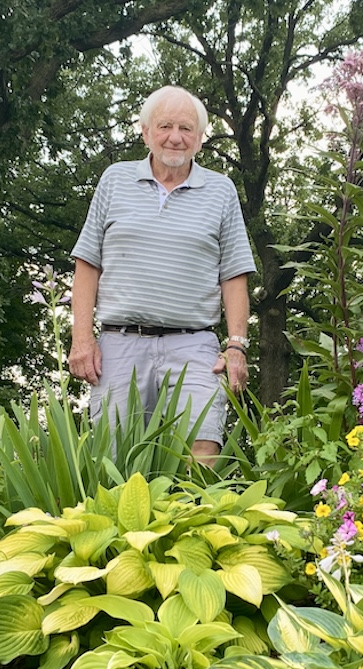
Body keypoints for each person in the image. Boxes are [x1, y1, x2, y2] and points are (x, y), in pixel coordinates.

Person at [68, 85, 255, 465]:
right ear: (145, 131)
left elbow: (234, 274)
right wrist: (81, 339)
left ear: (200, 139)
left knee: (202, 446)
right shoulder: (115, 180)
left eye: (186, 128)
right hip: (119, 343)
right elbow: (88, 263)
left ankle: (197, 523)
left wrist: (236, 345)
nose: (175, 137)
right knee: (113, 456)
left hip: (193, 343)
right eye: (165, 125)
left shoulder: (221, 191)